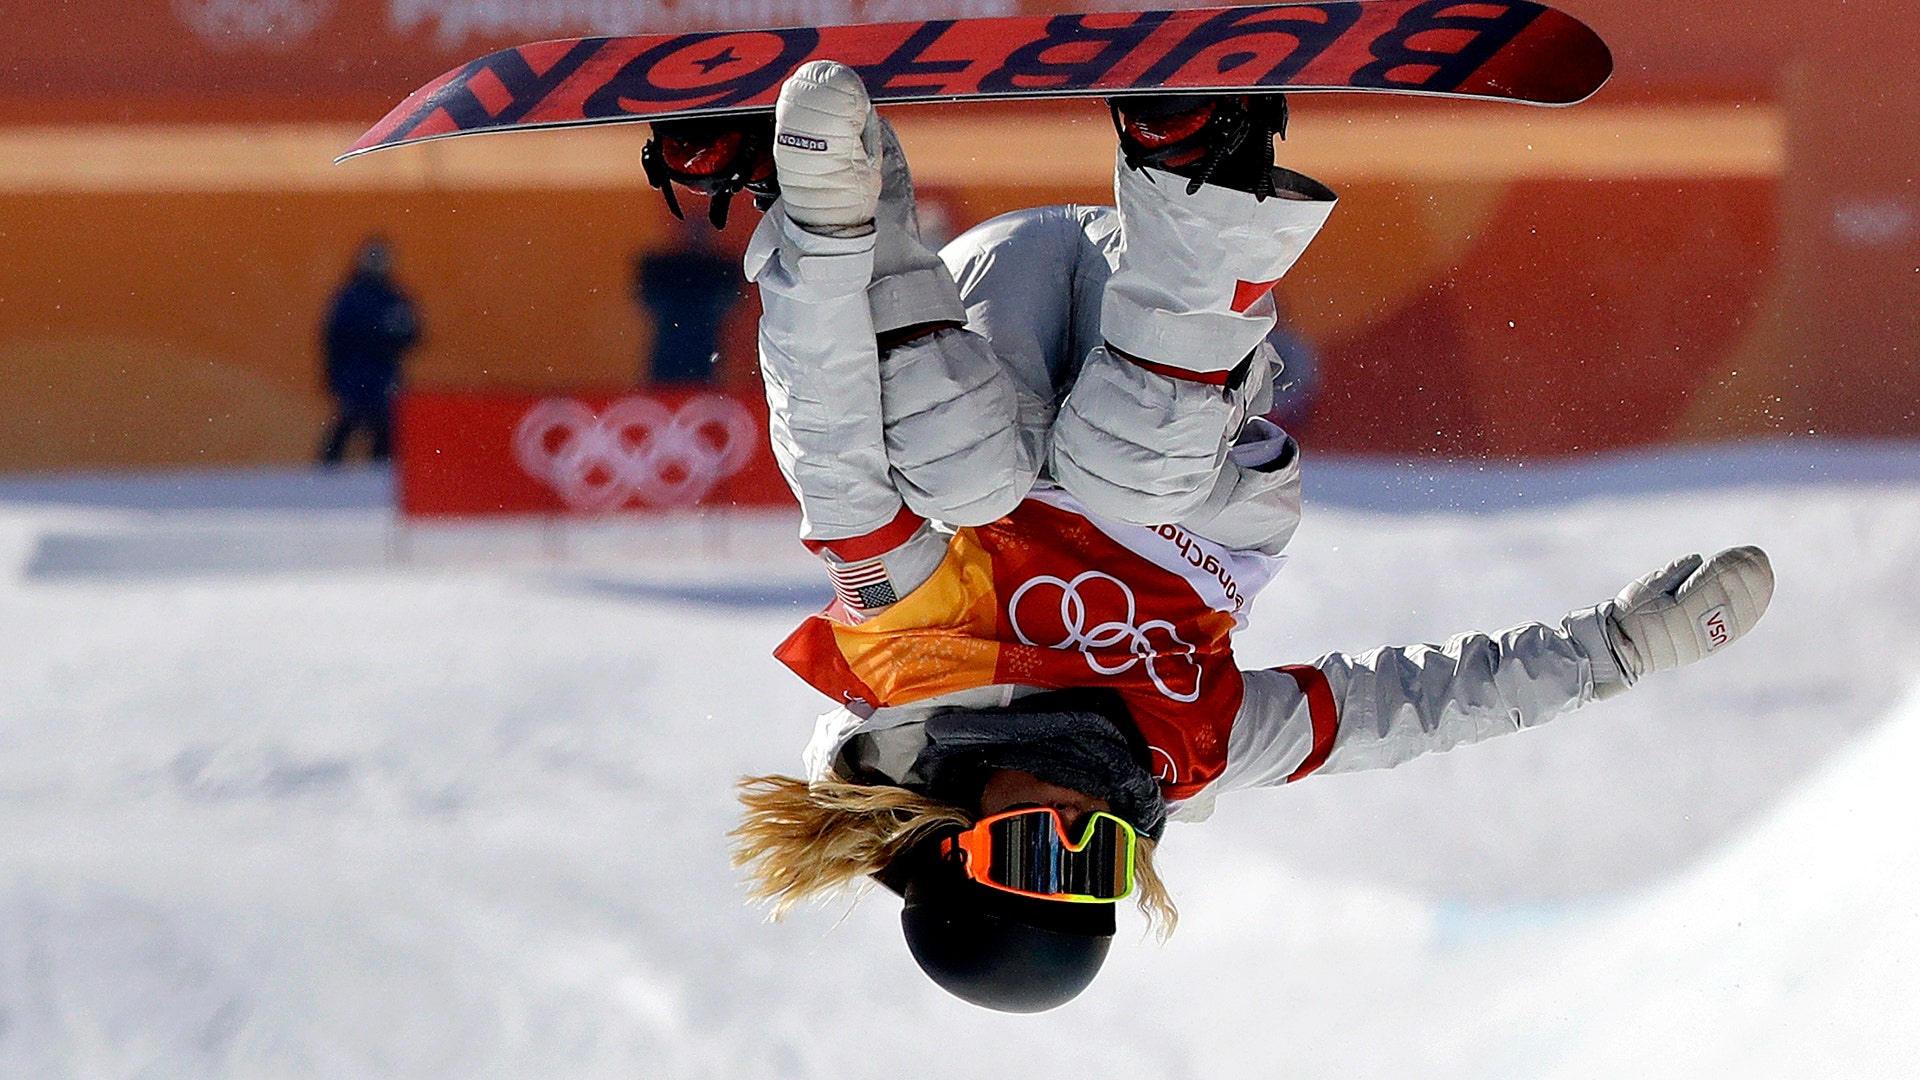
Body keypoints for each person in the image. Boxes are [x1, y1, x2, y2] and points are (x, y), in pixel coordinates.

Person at [645, 63, 1777, 1013]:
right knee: (1124, 477)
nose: (1083, 829)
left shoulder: (913, 673)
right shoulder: (1194, 746)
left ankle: (813, 191)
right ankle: (1196, 153)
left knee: (911, 496)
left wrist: (815, 230)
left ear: (951, 838)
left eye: (1038, 854)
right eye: (1103, 864)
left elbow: (828, 433)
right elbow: (1416, 709)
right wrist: (1621, 651)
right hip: (1168, 356)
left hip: (1001, 317)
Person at [319, 236, 418, 465]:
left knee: (384, 425)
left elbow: (412, 334)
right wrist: (334, 373)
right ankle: (326, 475)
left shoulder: (392, 296)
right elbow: (335, 337)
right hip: (354, 372)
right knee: (351, 419)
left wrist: (398, 332)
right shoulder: (351, 296)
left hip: (383, 372)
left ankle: (379, 472)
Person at [630, 213, 745, 386]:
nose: (695, 237)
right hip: (676, 345)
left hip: (699, 346)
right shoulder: (667, 269)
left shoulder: (712, 270)